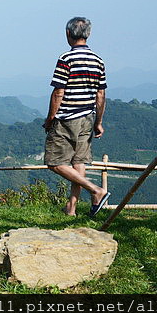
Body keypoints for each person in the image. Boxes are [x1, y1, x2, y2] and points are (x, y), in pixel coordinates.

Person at [43, 17, 110, 217]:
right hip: (87, 118)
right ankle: (71, 209)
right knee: (78, 162)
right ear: (87, 34)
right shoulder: (98, 61)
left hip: (66, 118)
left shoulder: (66, 59)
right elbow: (101, 95)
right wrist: (98, 122)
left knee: (54, 162)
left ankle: (95, 190)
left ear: (68, 34)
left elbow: (58, 92)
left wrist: (50, 119)